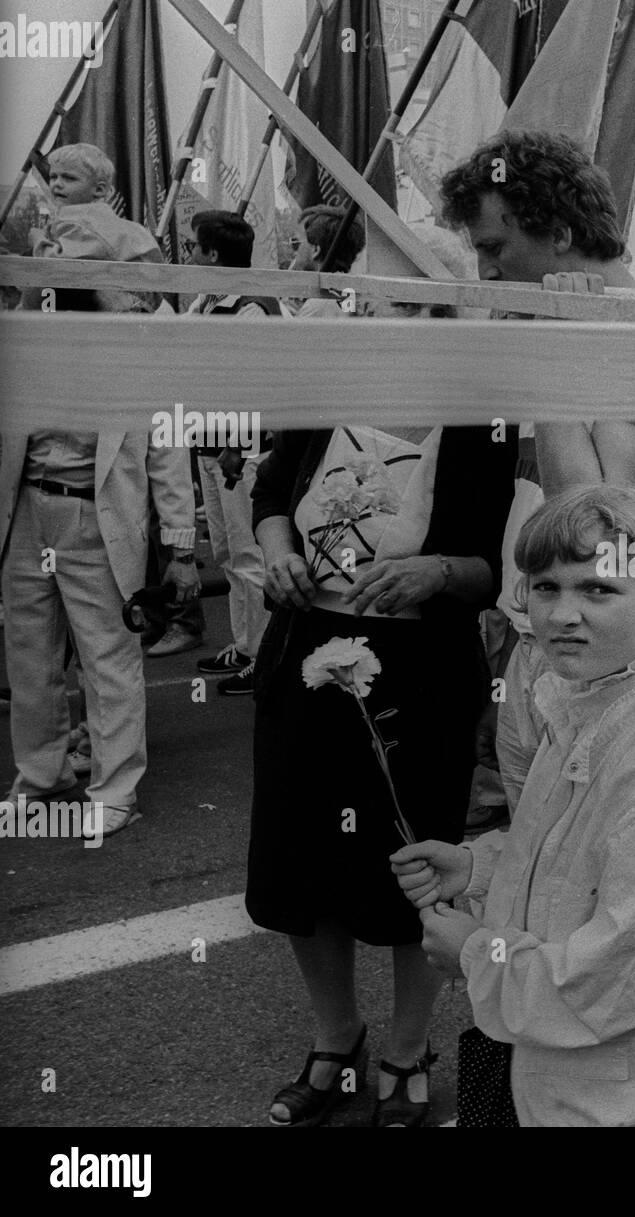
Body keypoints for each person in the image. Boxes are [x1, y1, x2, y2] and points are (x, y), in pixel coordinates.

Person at [391, 486, 635, 1126]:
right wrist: (478, 868)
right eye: (545, 587)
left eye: (598, 590)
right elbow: (569, 854)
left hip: (625, 1097)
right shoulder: (590, 704)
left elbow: (620, 972)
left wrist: (478, 955)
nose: (562, 614)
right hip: (576, 1079)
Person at [246, 399, 516, 1128]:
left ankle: (407, 1048)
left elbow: (490, 566)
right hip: (305, 661)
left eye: (427, 306)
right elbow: (271, 493)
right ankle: (336, 1038)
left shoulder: (477, 418)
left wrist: (435, 571)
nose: (403, 319)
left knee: (412, 860)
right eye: (393, 300)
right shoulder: (332, 387)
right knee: (298, 859)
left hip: (419, 675)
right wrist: (278, 554)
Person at [438, 130, 635, 813]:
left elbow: (587, 509)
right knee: (538, 860)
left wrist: (551, 338)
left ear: (560, 232)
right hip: (554, 638)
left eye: (494, 248)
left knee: (614, 884)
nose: (485, 273)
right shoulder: (569, 323)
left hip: (629, 659)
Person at [1, 142, 198, 839]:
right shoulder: (26, 328)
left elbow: (169, 446)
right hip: (28, 506)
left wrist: (179, 542)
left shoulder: (137, 337)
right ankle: (42, 772)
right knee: (29, 650)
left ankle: (116, 787)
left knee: (106, 655)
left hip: (94, 511)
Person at [180, 211, 278, 692]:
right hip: (209, 443)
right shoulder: (205, 301)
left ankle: (261, 657)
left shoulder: (251, 307)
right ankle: (243, 644)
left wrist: (237, 447)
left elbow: (255, 384)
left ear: (213, 254)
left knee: (247, 554)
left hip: (239, 450)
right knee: (225, 553)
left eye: (195, 247)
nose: (190, 255)